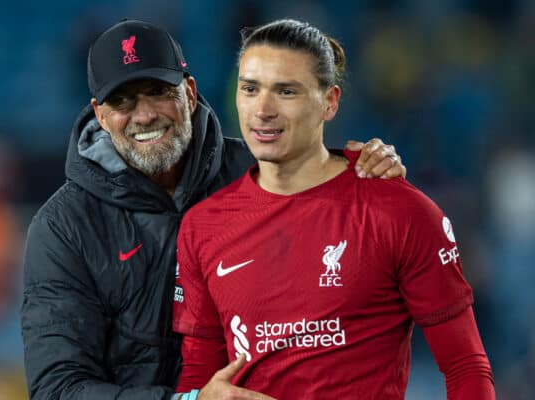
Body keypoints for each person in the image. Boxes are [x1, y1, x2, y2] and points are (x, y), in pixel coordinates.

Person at [20, 19, 407, 400]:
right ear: (100, 115)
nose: (144, 115)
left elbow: (355, 271)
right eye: (122, 101)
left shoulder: (262, 170)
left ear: (189, 93)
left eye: (157, 91)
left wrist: (370, 174)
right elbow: (58, 388)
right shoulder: (63, 228)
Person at [173, 19, 495, 399]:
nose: (263, 109)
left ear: (330, 102)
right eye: (250, 89)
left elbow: (465, 367)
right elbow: (198, 376)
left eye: (287, 91)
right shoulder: (203, 226)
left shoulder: (399, 212)